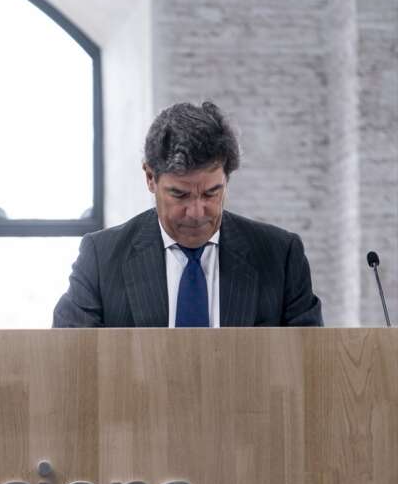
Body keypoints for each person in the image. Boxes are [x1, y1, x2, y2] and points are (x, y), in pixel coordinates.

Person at [52, 101, 323, 328]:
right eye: (179, 195)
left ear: (226, 180)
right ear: (150, 178)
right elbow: (71, 360)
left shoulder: (281, 257)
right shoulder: (101, 258)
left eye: (211, 193)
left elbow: (311, 365)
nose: (196, 213)